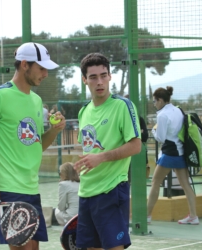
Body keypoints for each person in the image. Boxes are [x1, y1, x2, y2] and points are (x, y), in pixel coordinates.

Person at [0, 42, 66, 250]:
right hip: (7, 189)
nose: (45, 74)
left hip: (31, 188)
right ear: (24, 65)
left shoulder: (37, 101)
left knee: (32, 248)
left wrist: (54, 131)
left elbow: (35, 145)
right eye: (41, 68)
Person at [73, 53, 141, 250]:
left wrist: (101, 158)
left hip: (111, 191)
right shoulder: (83, 111)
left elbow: (135, 146)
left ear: (110, 76)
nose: (99, 81)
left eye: (104, 75)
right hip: (86, 193)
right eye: (93, 77)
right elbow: (88, 148)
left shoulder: (123, 106)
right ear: (85, 80)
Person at [147, 86, 198, 225]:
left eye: (154, 101)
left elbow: (161, 138)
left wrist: (153, 130)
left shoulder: (162, 115)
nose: (154, 104)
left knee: (155, 183)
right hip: (181, 152)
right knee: (186, 185)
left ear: (161, 100)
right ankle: (194, 216)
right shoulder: (178, 110)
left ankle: (147, 217)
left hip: (169, 154)